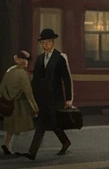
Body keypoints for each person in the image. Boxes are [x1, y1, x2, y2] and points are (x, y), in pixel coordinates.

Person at [24, 28, 73, 160]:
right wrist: (34, 97)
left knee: (53, 122)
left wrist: (69, 99)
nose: (45, 45)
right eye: (43, 43)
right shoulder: (40, 59)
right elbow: (36, 80)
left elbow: (66, 79)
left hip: (56, 98)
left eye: (48, 42)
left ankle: (64, 142)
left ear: (52, 42)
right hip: (43, 98)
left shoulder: (59, 58)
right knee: (43, 123)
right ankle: (32, 152)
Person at [0, 49, 37, 155]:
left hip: (8, 103)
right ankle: (19, 149)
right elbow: (29, 93)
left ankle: (6, 145)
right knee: (21, 126)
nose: (25, 61)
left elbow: (1, 88)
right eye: (23, 59)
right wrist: (35, 109)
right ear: (17, 59)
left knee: (11, 127)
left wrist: (2, 99)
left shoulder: (10, 70)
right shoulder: (23, 74)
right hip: (19, 106)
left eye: (26, 59)